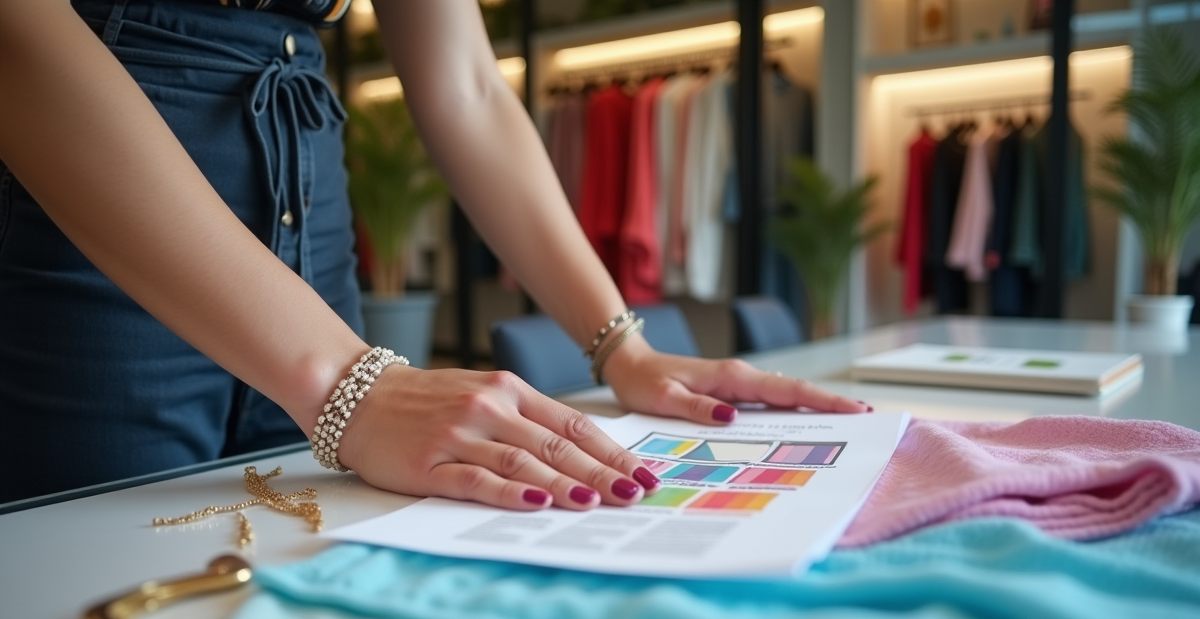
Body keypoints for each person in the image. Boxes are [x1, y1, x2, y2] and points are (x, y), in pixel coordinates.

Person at [0, 0, 868, 508]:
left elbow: (468, 83)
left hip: (308, 168)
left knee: (309, 552)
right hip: (95, 172)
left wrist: (621, 347)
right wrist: (349, 381)